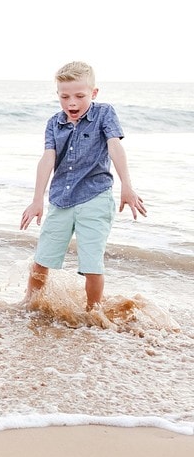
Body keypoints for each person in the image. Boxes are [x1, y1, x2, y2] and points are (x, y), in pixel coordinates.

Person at [19, 61, 146, 310]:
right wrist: (37, 199)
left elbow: (115, 146)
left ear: (93, 93)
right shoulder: (54, 123)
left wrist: (127, 186)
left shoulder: (104, 113)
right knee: (41, 260)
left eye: (79, 96)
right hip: (60, 200)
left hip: (95, 197)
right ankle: (29, 304)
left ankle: (93, 313)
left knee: (91, 264)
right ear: (58, 95)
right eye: (64, 97)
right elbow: (48, 158)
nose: (72, 103)